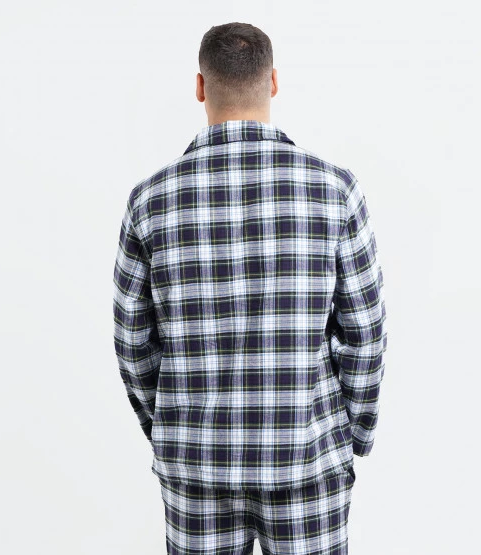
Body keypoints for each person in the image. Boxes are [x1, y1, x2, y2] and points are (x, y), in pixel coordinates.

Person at [113, 21, 387, 555]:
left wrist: (170, 425)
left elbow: (133, 344)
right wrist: (353, 432)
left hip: (195, 466)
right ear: (274, 81)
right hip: (307, 459)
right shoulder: (334, 190)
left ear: (200, 86)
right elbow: (365, 332)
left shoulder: (149, 200)